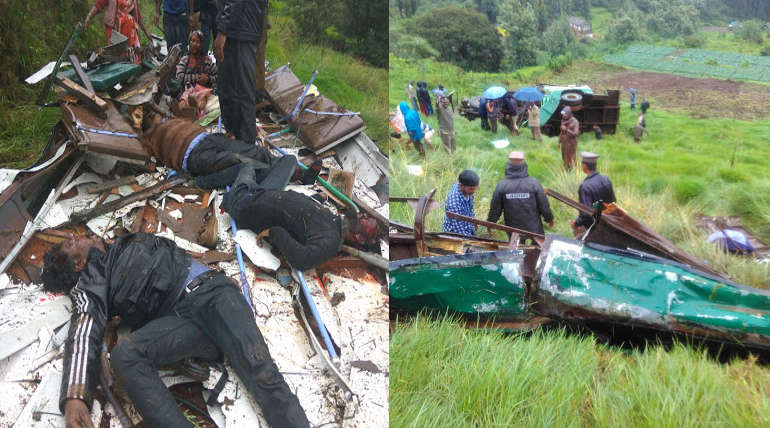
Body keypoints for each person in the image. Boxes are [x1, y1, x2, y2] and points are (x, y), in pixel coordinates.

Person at [41, 232, 310, 428]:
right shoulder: (92, 283)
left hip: (214, 295)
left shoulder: (121, 243)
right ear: (77, 264)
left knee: (261, 372)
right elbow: (83, 330)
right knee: (126, 355)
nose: (74, 235)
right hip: (183, 320)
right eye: (70, 243)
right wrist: (74, 397)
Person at [222, 165, 379, 270]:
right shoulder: (335, 221)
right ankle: (302, 177)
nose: (363, 215)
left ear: (358, 237)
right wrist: (319, 198)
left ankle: (205, 181)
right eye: (364, 215)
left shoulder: (329, 241)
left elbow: (301, 260)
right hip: (263, 193)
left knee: (245, 167)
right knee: (288, 161)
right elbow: (309, 216)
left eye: (365, 221)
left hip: (242, 202)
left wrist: (273, 232)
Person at [138, 115, 309, 190]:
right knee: (236, 160)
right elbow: (145, 157)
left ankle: (297, 174)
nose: (156, 117)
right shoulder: (149, 138)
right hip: (193, 157)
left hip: (208, 139)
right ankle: (270, 188)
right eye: (146, 117)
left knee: (255, 151)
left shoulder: (169, 120)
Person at [214, 0, 268, 143]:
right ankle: (235, 136)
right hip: (240, 29)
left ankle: (245, 143)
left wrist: (223, 30)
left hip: (240, 31)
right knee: (229, 89)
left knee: (240, 91)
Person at [487, 151, 553, 240]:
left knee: (516, 252)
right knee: (537, 251)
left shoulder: (502, 185)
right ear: (524, 165)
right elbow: (543, 205)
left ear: (508, 165)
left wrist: (490, 223)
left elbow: (495, 208)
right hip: (534, 229)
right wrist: (549, 218)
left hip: (513, 231)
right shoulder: (534, 183)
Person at [571, 152, 616, 238]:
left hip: (593, 227)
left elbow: (586, 213)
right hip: (609, 223)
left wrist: (576, 224)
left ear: (584, 166)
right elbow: (613, 203)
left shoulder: (585, 187)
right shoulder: (605, 179)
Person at [85, 0, 151, 48]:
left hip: (129, 32)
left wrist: (146, 32)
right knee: (115, 54)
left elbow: (137, 16)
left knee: (129, 54)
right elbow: (99, 4)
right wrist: (89, 16)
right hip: (114, 30)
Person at [443, 170, 479, 236]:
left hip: (467, 228)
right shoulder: (454, 203)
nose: (474, 191)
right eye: (471, 189)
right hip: (454, 235)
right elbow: (459, 231)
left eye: (475, 188)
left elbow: (470, 210)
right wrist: (473, 239)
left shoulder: (466, 189)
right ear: (461, 186)